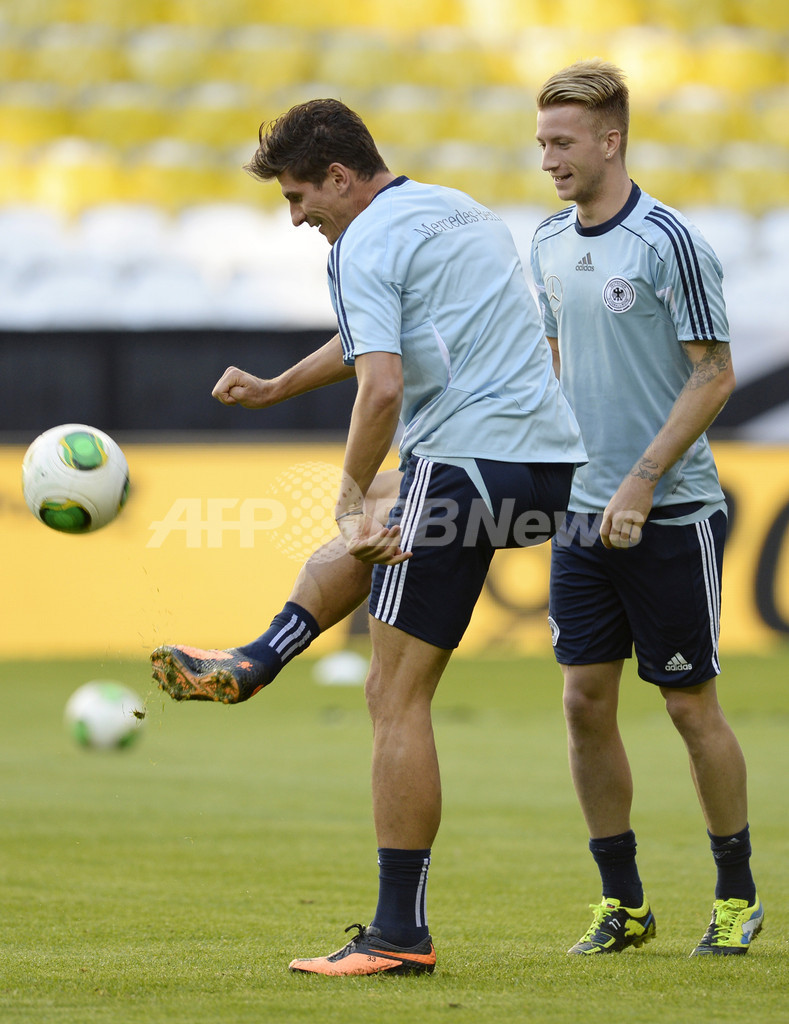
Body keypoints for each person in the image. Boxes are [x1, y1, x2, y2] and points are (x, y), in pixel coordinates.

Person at [151, 97, 587, 975]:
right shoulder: (455, 209)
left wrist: (346, 494)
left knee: (393, 696)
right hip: (546, 472)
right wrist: (278, 387)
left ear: (341, 179)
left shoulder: (358, 244)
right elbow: (388, 344)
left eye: (298, 197)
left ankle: (397, 935)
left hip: (464, 459)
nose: (297, 216)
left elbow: (382, 386)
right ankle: (256, 658)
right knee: (387, 513)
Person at [530, 58, 761, 957]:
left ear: (610, 140)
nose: (547, 156)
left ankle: (736, 895)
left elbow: (715, 374)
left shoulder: (667, 243)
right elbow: (552, 372)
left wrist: (643, 478)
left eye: (562, 141)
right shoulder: (547, 241)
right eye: (541, 140)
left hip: (668, 513)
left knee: (686, 705)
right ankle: (622, 904)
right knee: (584, 702)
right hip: (580, 519)